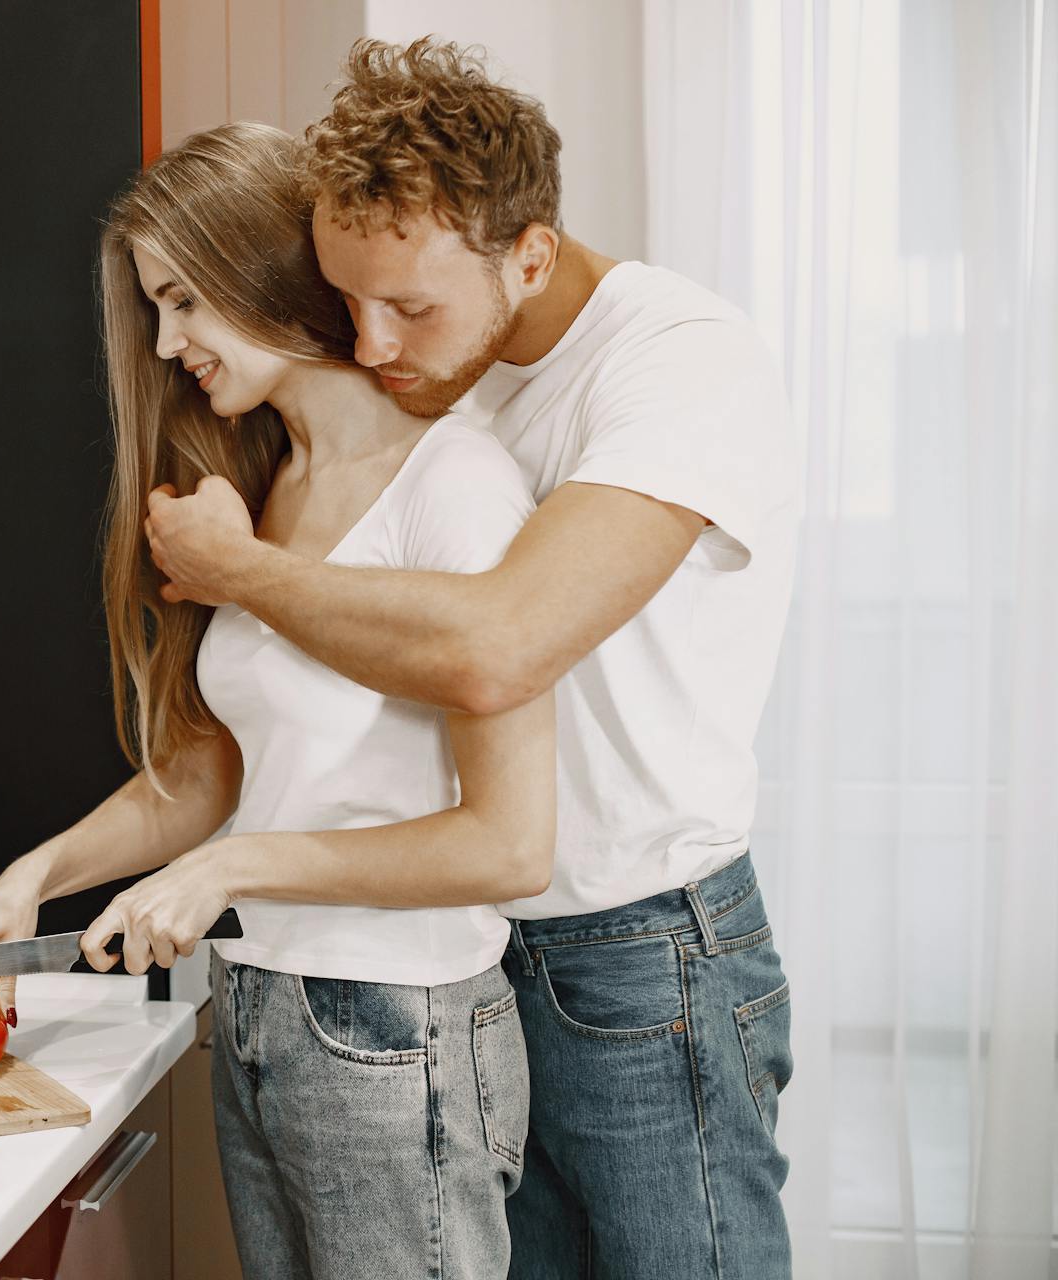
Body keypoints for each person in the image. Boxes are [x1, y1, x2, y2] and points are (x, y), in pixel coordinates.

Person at [144, 40, 803, 1279]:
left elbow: (498, 646)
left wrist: (241, 574)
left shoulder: (678, 361)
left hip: (645, 955)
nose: (375, 341)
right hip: (487, 951)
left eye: (410, 305)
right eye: (348, 302)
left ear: (531, 255)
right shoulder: (469, 378)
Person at [0, 121, 553, 1278]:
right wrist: (37, 876)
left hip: (397, 1031)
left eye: (185, 301)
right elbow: (216, 775)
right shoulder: (267, 491)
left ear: (261, 267)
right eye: (157, 309)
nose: (166, 343)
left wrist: (231, 869)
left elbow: (508, 845)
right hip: (268, 1013)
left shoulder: (455, 487)